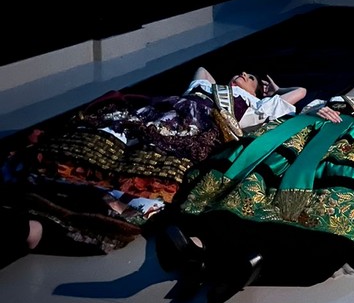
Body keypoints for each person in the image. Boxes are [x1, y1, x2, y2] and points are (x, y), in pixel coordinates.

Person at [155, 80, 354, 301]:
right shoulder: (328, 102)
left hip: (346, 148)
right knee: (252, 183)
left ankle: (214, 265)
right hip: (299, 138)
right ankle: (211, 254)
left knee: (329, 202)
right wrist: (308, 108)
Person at [0, 66, 306, 254]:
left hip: (194, 131)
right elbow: (202, 70)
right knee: (109, 141)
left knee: (155, 166)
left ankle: (114, 203)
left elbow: (300, 92)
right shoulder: (206, 87)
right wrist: (235, 84)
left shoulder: (259, 106)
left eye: (250, 77)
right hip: (157, 117)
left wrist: (274, 91)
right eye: (242, 72)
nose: (243, 75)